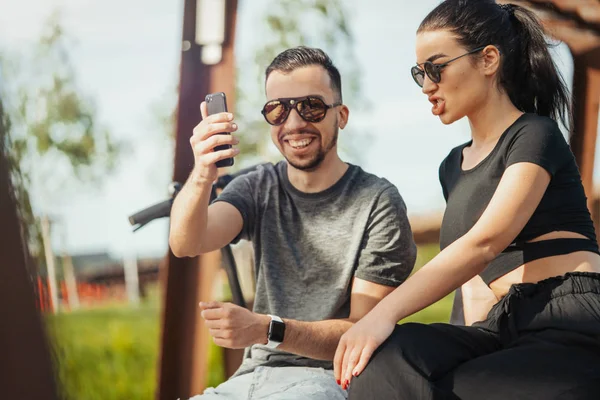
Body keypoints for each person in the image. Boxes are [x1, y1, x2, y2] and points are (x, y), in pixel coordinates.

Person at [333, 1, 600, 399]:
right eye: (419, 73)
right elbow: (474, 282)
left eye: (436, 68)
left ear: (489, 59)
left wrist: (381, 314)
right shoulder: (450, 167)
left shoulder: (534, 135)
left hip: (564, 317)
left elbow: (485, 243)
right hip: (500, 326)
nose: (427, 85)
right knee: (383, 361)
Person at [169, 46, 417, 399]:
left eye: (311, 106)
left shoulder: (377, 202)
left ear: (341, 115)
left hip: (330, 380)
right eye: (278, 110)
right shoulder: (258, 187)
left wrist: (268, 329)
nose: (295, 122)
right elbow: (186, 242)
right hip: (250, 380)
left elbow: (362, 331)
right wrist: (202, 174)